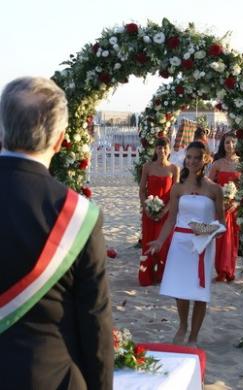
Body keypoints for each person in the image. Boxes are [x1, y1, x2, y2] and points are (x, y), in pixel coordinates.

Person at [0, 77, 113, 390]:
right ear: (61, 139)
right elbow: (94, 322)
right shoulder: (78, 215)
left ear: (2, 130)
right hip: (47, 377)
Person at [147, 141, 225, 346]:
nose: (192, 161)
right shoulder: (178, 188)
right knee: (181, 289)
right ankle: (182, 325)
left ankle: (194, 335)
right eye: (188, 157)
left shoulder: (215, 189)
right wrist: (160, 241)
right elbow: (171, 219)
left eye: (197, 157)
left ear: (206, 159)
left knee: (199, 292)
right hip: (180, 243)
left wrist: (206, 231)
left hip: (202, 244)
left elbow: (222, 225)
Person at [139, 137, 179, 286]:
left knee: (164, 245)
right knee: (148, 244)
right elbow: (142, 191)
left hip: (166, 213)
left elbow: (175, 194)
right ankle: (147, 275)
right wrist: (146, 207)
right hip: (149, 212)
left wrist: (164, 211)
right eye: (159, 148)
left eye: (165, 148)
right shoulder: (147, 167)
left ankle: (162, 276)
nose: (162, 151)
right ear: (155, 150)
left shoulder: (174, 169)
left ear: (169, 150)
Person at [209, 131, 240, 282]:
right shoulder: (217, 164)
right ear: (223, 144)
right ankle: (221, 270)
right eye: (227, 142)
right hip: (220, 206)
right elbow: (209, 185)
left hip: (234, 207)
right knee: (221, 238)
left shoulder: (242, 164)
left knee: (233, 238)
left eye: (233, 142)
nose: (230, 145)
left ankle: (229, 270)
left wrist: (236, 202)